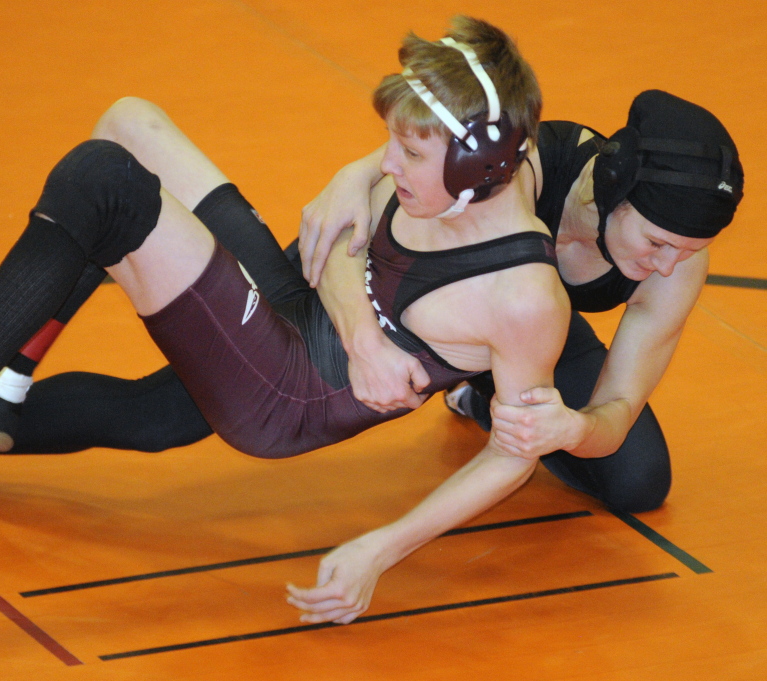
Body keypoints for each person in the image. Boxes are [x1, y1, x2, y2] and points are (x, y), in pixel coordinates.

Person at [0, 17, 570, 624]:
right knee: (127, 123)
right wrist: (354, 195)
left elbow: (514, 454)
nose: (387, 163)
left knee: (104, 185)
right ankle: (0, 383)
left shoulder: (521, 298)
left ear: (479, 165)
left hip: (284, 390)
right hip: (303, 305)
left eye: (405, 150)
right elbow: (358, 213)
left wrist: (379, 548)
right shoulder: (486, 160)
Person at [297, 88, 744, 513]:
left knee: (638, 479)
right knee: (263, 376)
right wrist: (355, 175)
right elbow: (430, 148)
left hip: (525, 333)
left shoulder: (677, 267)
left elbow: (619, 408)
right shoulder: (524, 167)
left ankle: (477, 395)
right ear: (613, 193)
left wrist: (575, 428)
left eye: (689, 250)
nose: (667, 266)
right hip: (408, 289)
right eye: (657, 242)